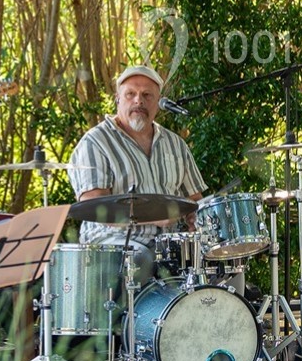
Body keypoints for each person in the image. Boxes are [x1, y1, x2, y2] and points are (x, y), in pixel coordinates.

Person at [68, 66, 207, 283]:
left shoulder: (175, 144)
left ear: (158, 102)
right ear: (118, 99)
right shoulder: (95, 142)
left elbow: (195, 200)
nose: (138, 101)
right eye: (130, 94)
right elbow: (95, 207)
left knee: (219, 261)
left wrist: (195, 224)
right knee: (138, 259)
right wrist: (153, 216)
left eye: (147, 95)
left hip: (168, 244)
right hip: (113, 243)